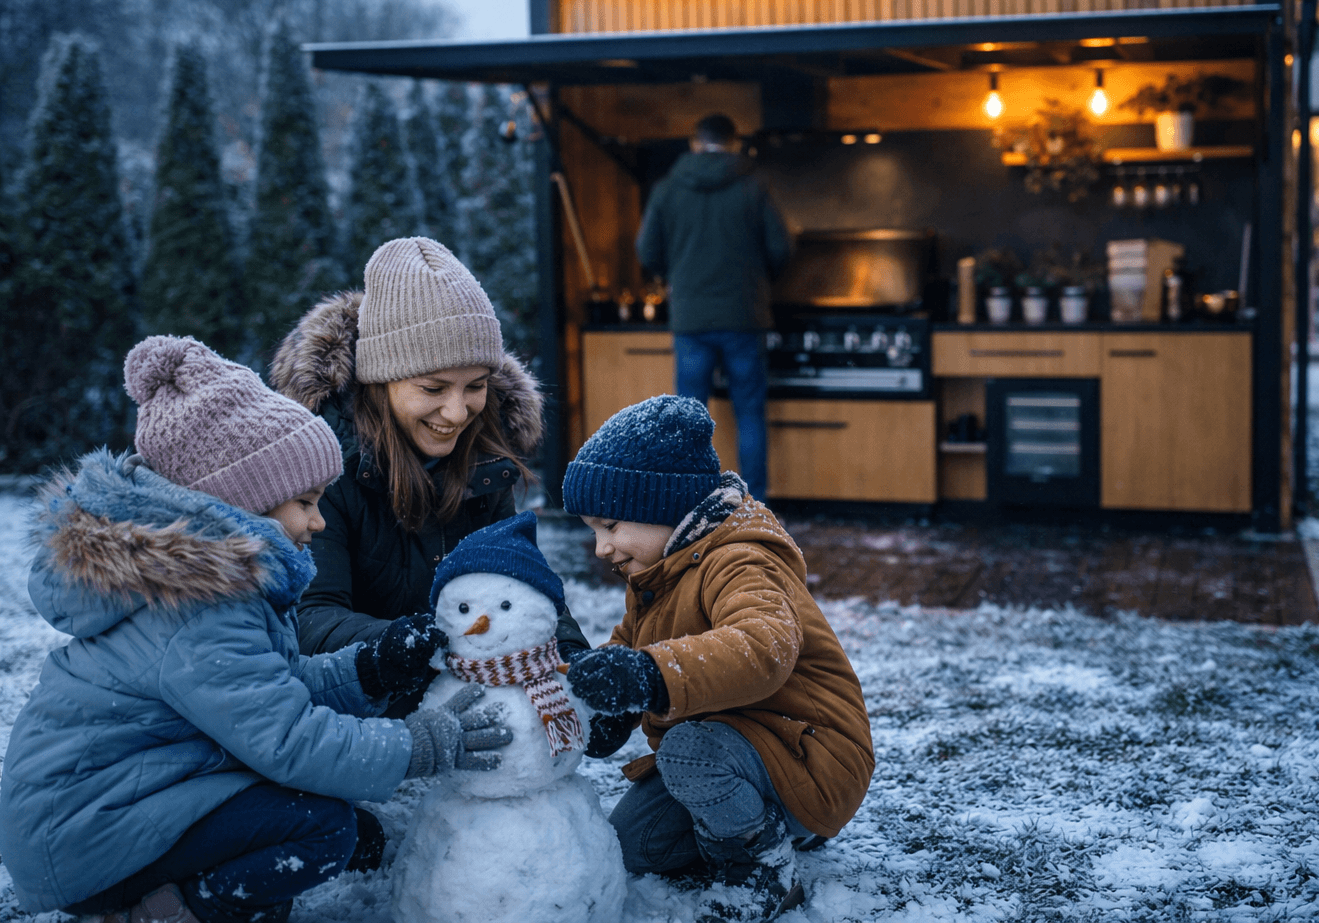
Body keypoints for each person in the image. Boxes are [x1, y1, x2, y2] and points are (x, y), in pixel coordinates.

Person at [0, 336, 510, 922]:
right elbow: (289, 739)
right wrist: (416, 745)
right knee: (320, 828)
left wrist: (369, 667)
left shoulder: (202, 583)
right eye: (305, 502)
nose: (319, 520)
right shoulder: (202, 606)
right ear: (243, 504)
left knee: (307, 827)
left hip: (96, 817)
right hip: (84, 839)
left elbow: (273, 687)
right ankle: (161, 914)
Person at [561, 395, 875, 923]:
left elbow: (761, 648)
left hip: (808, 752)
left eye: (610, 525)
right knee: (634, 847)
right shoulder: (657, 575)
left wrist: (649, 676)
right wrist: (604, 699)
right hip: (734, 747)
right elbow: (628, 646)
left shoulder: (742, 559)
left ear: (662, 508)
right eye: (593, 530)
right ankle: (761, 821)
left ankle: (763, 872)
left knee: (687, 750)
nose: (601, 548)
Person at [269, 236, 589, 709]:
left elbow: (519, 584)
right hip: (350, 711)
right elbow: (310, 618)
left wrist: (576, 665)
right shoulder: (319, 465)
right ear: (381, 380)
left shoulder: (484, 456)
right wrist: (429, 640)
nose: (458, 413)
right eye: (434, 387)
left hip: (458, 697)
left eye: (475, 386)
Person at [637, 113, 791, 501]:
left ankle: (690, 500)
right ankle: (754, 505)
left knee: (688, 419)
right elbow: (781, 247)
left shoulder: (668, 188)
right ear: (734, 142)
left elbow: (647, 250)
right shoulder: (755, 184)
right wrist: (759, 278)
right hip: (744, 315)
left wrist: (676, 276)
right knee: (750, 413)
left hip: (691, 318)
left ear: (694, 143)